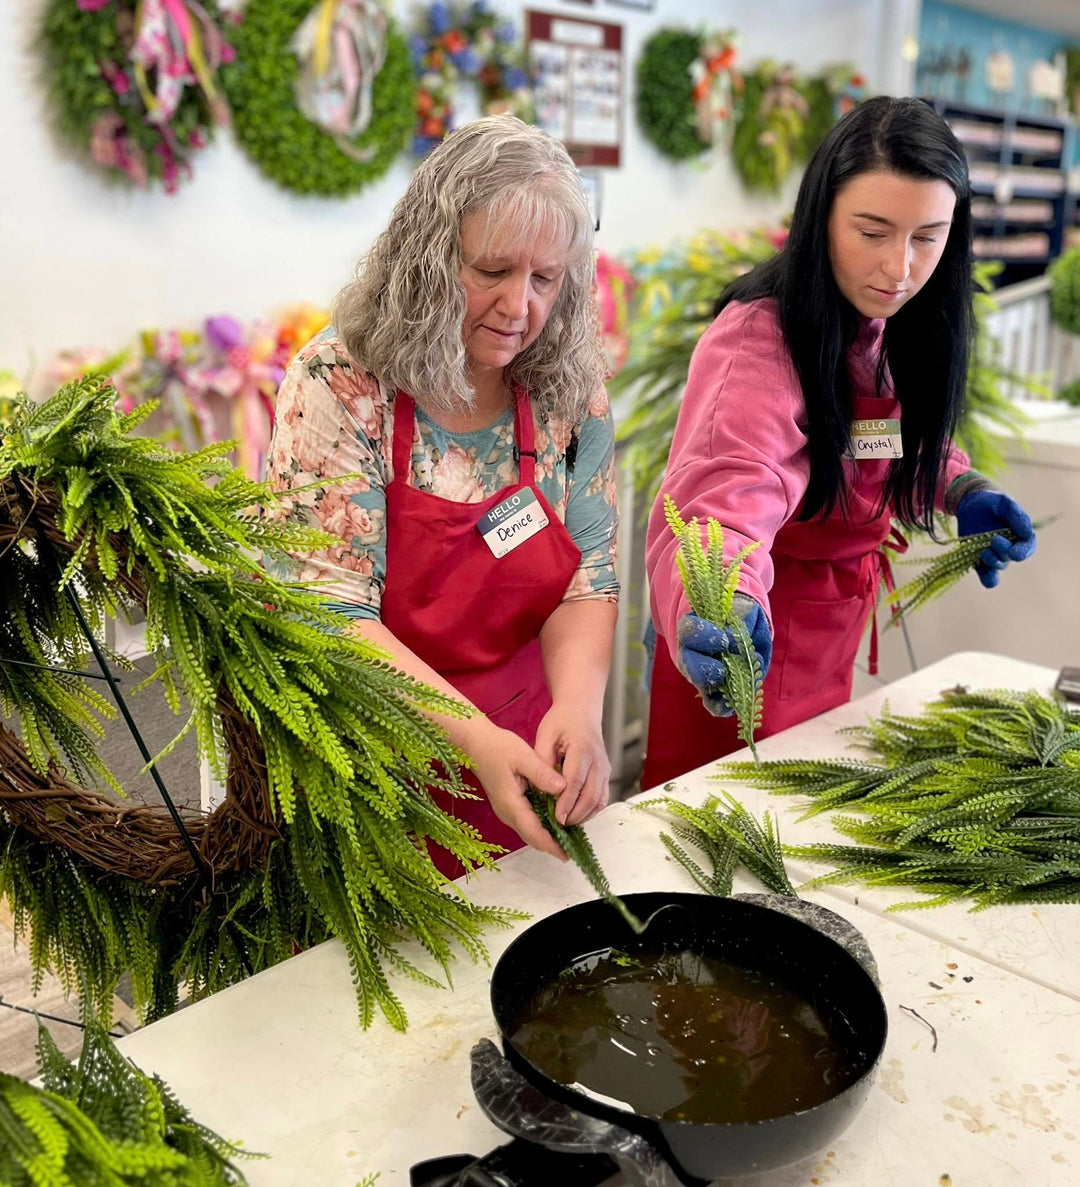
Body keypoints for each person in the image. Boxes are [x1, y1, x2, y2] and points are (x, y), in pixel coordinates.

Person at [643, 96, 1037, 789]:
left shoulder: (886, 326)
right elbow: (728, 495)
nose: (900, 267)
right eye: (873, 231)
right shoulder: (759, 341)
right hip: (748, 645)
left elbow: (872, 436)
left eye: (928, 237)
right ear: (821, 213)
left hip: (828, 638)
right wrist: (721, 596)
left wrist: (954, 483)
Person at [266, 116, 619, 877]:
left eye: (544, 279)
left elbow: (588, 572)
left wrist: (581, 710)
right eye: (491, 271)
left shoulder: (567, 390)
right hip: (368, 767)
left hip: (524, 756)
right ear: (428, 256)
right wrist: (475, 738)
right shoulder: (342, 382)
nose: (518, 306)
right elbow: (329, 605)